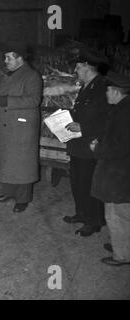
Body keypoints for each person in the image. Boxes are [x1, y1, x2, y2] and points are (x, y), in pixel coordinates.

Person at [0, 45, 42, 213]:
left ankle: (23, 199)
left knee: (22, 164)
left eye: (9, 58)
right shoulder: (8, 74)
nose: (5, 61)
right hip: (7, 125)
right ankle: (8, 192)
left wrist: (6, 101)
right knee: (7, 160)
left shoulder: (32, 76)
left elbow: (33, 100)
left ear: (20, 59)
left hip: (21, 127)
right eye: (5, 58)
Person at [63, 50, 110, 237]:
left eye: (78, 67)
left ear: (87, 67)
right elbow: (81, 112)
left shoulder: (103, 88)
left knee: (89, 184)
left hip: (90, 144)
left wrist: (82, 128)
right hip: (78, 144)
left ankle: (94, 221)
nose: (75, 70)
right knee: (77, 182)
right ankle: (81, 213)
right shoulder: (87, 86)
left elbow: (107, 120)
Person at [90, 72, 130, 266]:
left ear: (115, 92)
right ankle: (121, 244)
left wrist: (97, 148)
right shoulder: (122, 108)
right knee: (122, 213)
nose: (106, 93)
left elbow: (120, 146)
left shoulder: (123, 113)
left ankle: (122, 255)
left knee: (116, 214)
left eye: (107, 90)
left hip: (119, 173)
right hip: (121, 172)